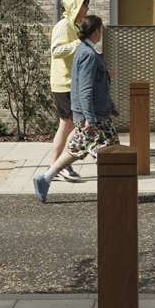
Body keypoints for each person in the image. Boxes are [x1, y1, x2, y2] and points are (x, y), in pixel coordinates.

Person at [34, 14, 117, 202]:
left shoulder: (83, 49)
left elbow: (90, 82)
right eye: (101, 29)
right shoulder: (88, 54)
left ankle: (45, 178)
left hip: (94, 113)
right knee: (110, 153)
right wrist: (89, 118)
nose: (102, 32)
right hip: (94, 116)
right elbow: (85, 88)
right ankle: (113, 192)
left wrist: (109, 103)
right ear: (96, 31)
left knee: (77, 149)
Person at [48, 0, 89, 182]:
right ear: (75, 7)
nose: (87, 9)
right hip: (64, 84)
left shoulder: (74, 26)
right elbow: (56, 51)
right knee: (73, 125)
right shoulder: (63, 26)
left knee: (66, 125)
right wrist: (78, 44)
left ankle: (55, 166)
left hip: (70, 83)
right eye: (84, 5)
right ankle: (61, 165)